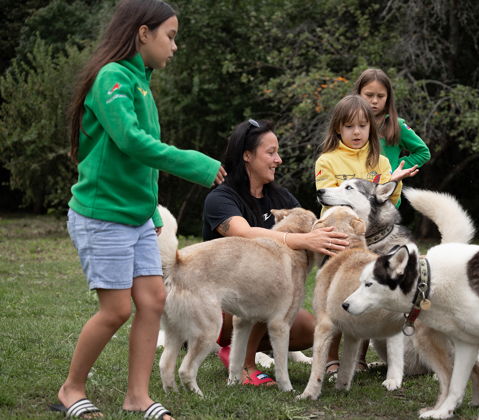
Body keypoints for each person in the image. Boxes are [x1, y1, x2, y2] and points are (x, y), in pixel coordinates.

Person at [53, 1, 226, 419]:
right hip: (102, 215)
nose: (175, 46)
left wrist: (150, 215)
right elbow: (131, 142)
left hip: (134, 217)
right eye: (170, 35)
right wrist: (196, 163)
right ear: (143, 33)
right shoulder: (112, 77)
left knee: (152, 301)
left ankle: (137, 397)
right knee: (116, 309)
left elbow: (139, 167)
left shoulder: (142, 83)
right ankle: (70, 389)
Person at [202, 119, 349, 386]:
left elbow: (315, 231)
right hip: (219, 302)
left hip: (262, 298)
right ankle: (244, 364)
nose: (278, 159)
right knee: (264, 291)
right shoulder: (220, 198)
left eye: (277, 152)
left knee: (311, 329)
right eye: (270, 152)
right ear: (247, 155)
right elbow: (243, 232)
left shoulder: (283, 199)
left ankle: (243, 347)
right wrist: (301, 238)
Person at [314, 94, 417, 376]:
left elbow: (388, 201)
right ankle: (332, 358)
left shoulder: (381, 161)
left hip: (373, 239)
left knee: (368, 292)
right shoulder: (328, 160)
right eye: (349, 126)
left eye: (362, 126)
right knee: (335, 299)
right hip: (337, 238)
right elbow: (327, 199)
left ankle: (358, 358)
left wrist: (394, 182)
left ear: (371, 128)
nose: (357, 132)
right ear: (338, 129)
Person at [353, 68, 430, 206]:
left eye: (381, 96)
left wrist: (394, 170)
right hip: (354, 197)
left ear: (388, 97)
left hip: (386, 200)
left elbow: (423, 152)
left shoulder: (396, 125)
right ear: (358, 93)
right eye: (369, 95)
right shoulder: (349, 124)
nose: (374, 101)